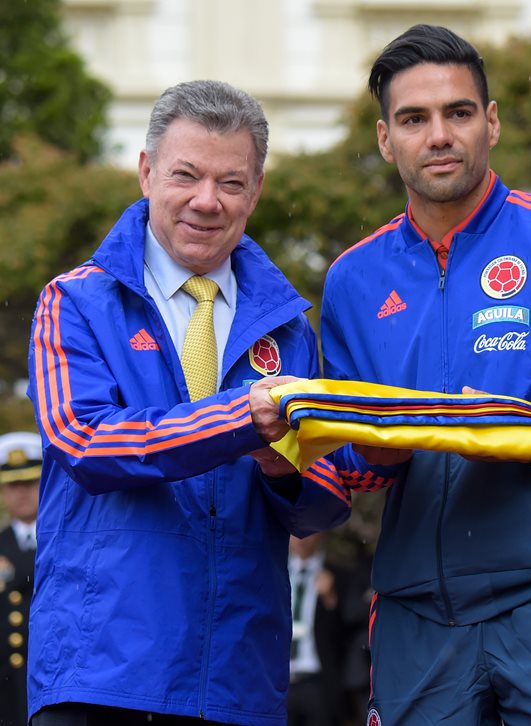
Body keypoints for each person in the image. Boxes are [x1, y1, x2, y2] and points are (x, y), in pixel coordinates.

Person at [319, 24, 531, 725]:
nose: (439, 135)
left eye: (459, 112)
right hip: (417, 606)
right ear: (387, 140)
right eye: (414, 119)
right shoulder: (353, 279)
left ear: (492, 122)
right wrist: (371, 453)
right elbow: (349, 454)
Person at [26, 80, 393, 726]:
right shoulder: (74, 303)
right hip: (102, 680)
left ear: (256, 192)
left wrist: (286, 469)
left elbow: (327, 503)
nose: (206, 201)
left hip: (238, 682)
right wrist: (239, 420)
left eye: (230, 183)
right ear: (145, 173)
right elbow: (86, 443)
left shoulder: (289, 330)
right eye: (185, 175)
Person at [287, 532, 370, 726]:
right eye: (294, 530)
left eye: (308, 530)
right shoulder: (275, 575)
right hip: (281, 681)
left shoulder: (338, 576)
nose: (301, 537)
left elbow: (350, 634)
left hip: (319, 681)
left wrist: (331, 601)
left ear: (321, 534)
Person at [0, 433, 40, 726]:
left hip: (53, 681)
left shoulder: (68, 544)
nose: (22, 492)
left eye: (30, 482)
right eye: (13, 485)